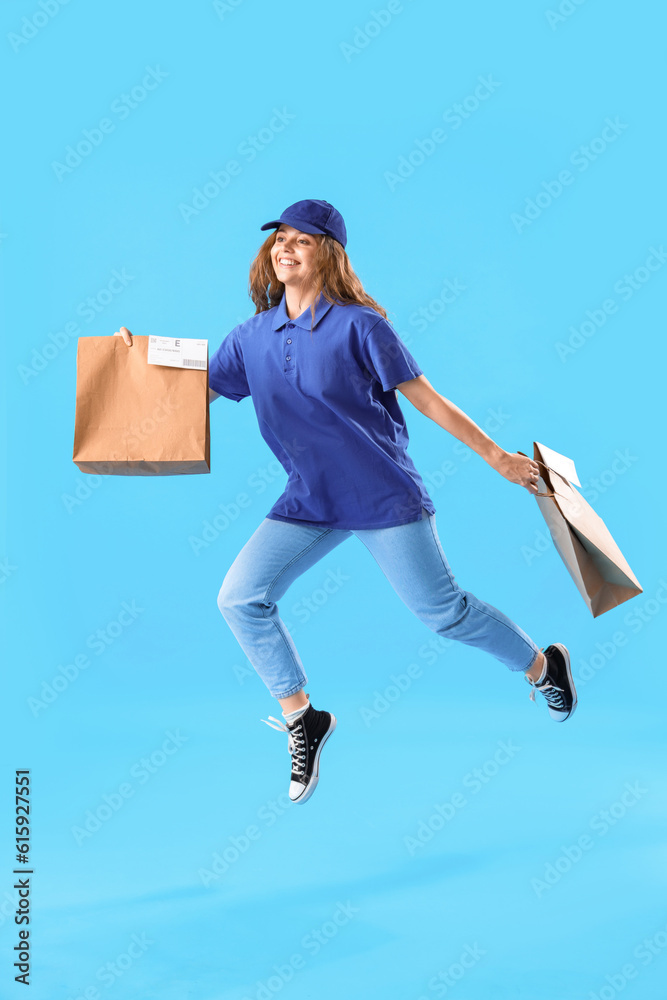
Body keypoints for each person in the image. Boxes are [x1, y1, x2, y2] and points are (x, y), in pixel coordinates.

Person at [113, 198, 577, 806]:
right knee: (240, 597)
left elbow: (429, 401)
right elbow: (191, 388)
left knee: (443, 613)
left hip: (380, 494)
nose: (285, 248)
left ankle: (544, 668)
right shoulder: (252, 336)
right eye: (279, 238)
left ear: (327, 254)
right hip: (309, 498)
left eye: (301, 241)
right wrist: (134, 357)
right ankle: (303, 717)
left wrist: (499, 459)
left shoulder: (361, 326)